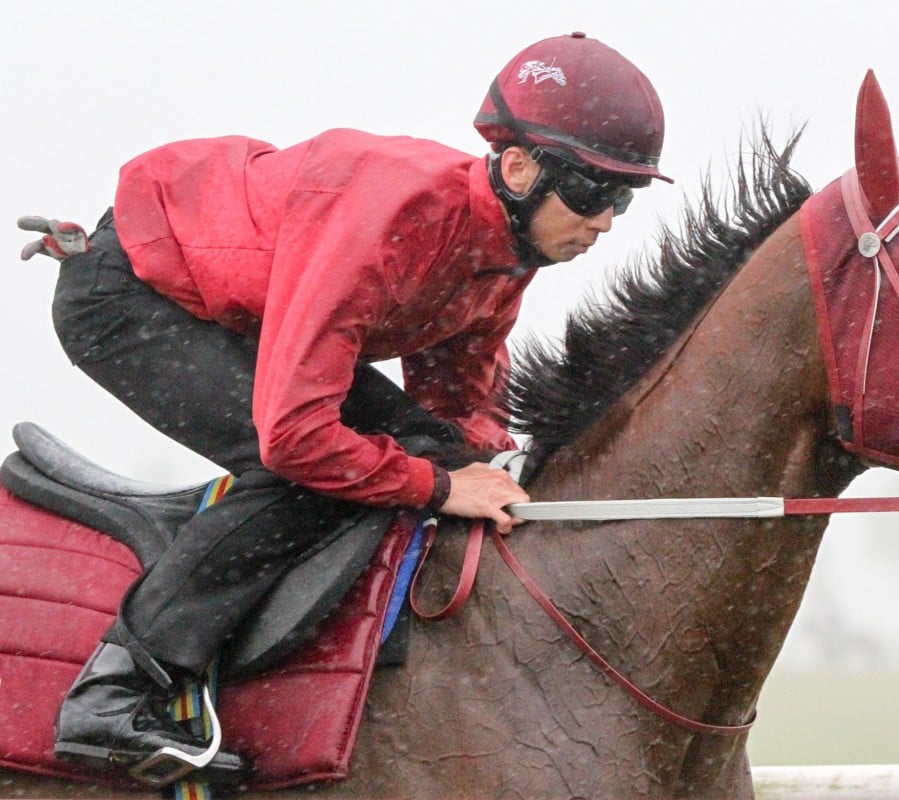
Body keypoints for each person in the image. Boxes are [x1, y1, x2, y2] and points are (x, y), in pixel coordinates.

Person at [18, 31, 670, 786]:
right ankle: (117, 690)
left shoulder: (507, 253)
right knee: (312, 475)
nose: (606, 221)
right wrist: (439, 486)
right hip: (129, 296)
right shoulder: (392, 218)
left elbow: (457, 412)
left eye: (623, 197)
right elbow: (294, 439)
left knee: (426, 451)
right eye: (592, 192)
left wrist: (491, 468)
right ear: (519, 169)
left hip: (236, 310)